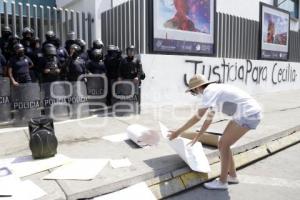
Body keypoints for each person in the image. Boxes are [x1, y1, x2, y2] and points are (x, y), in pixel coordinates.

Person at [167, 74, 262, 190]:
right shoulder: (215, 90)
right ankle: (232, 176)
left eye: (194, 92)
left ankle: (222, 182)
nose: (196, 94)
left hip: (248, 113)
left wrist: (178, 131)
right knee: (224, 144)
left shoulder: (209, 92)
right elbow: (208, 119)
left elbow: (198, 117)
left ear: (197, 88)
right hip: (245, 113)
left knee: (223, 144)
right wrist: (198, 136)